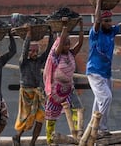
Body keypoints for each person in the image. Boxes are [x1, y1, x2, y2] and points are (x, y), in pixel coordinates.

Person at [86, 0, 121, 137]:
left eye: (110, 21)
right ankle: (101, 129)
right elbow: (97, 21)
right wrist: (98, 1)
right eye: (106, 21)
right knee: (106, 98)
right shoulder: (95, 33)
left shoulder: (112, 31)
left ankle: (94, 127)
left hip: (106, 73)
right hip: (95, 72)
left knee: (98, 101)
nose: (109, 23)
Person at [43, 17, 84, 145]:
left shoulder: (71, 54)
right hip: (56, 91)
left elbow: (81, 43)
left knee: (77, 108)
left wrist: (81, 27)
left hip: (69, 89)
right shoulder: (56, 55)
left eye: (68, 44)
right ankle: (50, 139)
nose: (67, 46)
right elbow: (60, 44)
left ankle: (78, 134)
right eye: (65, 44)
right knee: (51, 115)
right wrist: (65, 27)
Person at [12, 25, 53, 146]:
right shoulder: (23, 62)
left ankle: (32, 143)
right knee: (26, 117)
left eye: (36, 51)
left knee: (40, 118)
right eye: (32, 51)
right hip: (26, 93)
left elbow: (49, 51)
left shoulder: (39, 61)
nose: (35, 53)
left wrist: (51, 35)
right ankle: (17, 136)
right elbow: (24, 50)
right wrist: (28, 34)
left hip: (38, 93)